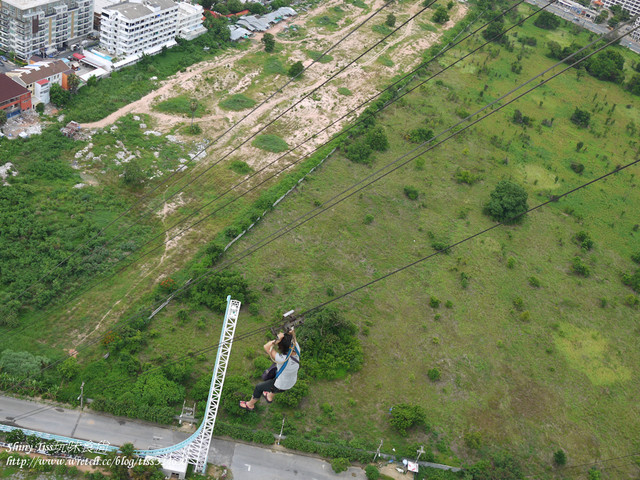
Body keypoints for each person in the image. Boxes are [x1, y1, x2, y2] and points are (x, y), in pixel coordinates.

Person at [240, 327, 300, 411]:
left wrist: (276, 340)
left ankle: (250, 405)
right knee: (274, 377)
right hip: (291, 382)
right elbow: (293, 337)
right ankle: (269, 397)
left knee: (259, 387)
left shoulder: (282, 359)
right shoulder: (297, 349)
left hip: (281, 385)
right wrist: (289, 333)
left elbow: (266, 347)